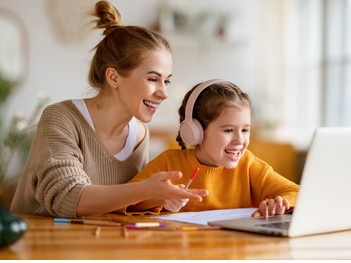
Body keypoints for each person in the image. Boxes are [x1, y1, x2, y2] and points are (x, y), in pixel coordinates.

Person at [10, 0, 207, 218]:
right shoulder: (61, 118)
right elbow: (67, 198)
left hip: (96, 245)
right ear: (113, 77)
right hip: (38, 245)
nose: (164, 93)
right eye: (153, 79)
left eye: (166, 81)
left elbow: (123, 204)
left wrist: (160, 197)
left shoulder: (139, 134)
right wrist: (145, 189)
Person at [119, 79, 300, 218]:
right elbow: (126, 200)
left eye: (245, 130)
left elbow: (298, 193)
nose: (240, 140)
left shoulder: (249, 165)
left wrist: (280, 203)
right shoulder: (169, 163)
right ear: (195, 131)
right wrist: (161, 199)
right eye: (228, 130)